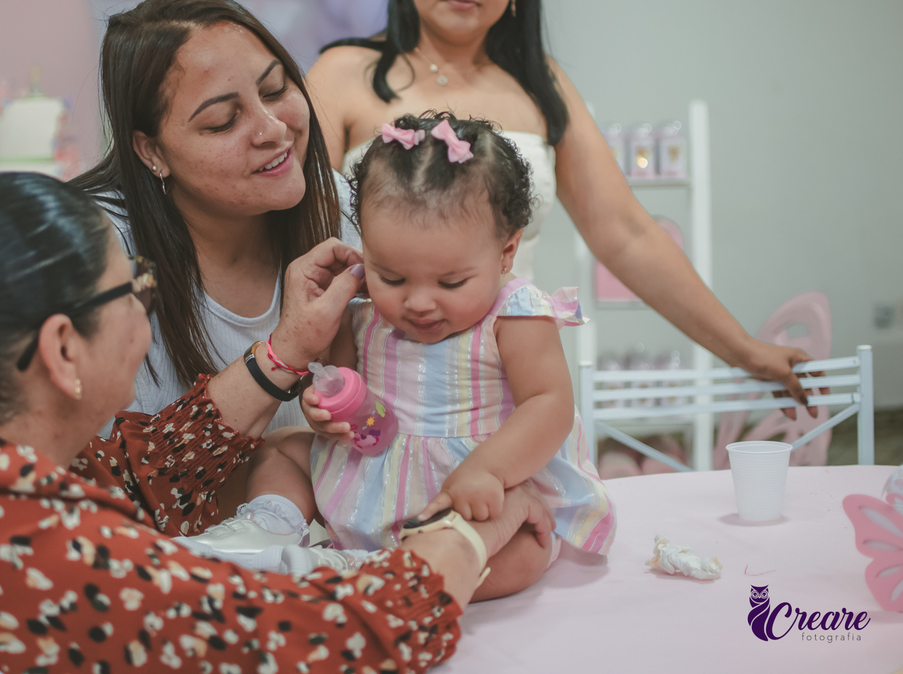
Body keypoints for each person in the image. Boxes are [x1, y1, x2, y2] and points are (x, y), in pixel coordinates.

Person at [0, 173, 556, 673]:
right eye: (135, 292)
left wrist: (291, 350)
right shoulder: (20, 539)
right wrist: (472, 528)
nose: (146, 312)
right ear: (61, 348)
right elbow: (343, 640)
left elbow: (137, 466)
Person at [306, 0, 817, 411]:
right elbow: (290, 238)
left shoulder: (539, 84)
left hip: (515, 383)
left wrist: (743, 351)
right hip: (373, 385)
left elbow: (626, 235)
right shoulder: (343, 75)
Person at [181, 114, 615, 600]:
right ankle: (270, 529)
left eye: (451, 282)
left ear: (506, 251)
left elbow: (548, 404)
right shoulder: (363, 314)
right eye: (391, 277)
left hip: (469, 484)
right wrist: (324, 412)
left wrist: (490, 471)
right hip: (372, 471)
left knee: (527, 546)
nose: (419, 302)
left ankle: (364, 569)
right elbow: (344, 383)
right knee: (280, 447)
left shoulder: (514, 315)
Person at [72, 0, 360, 435]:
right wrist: (284, 352)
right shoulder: (102, 256)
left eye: (275, 88)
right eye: (224, 120)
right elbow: (116, 477)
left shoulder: (339, 207)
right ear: (152, 152)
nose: (272, 128)